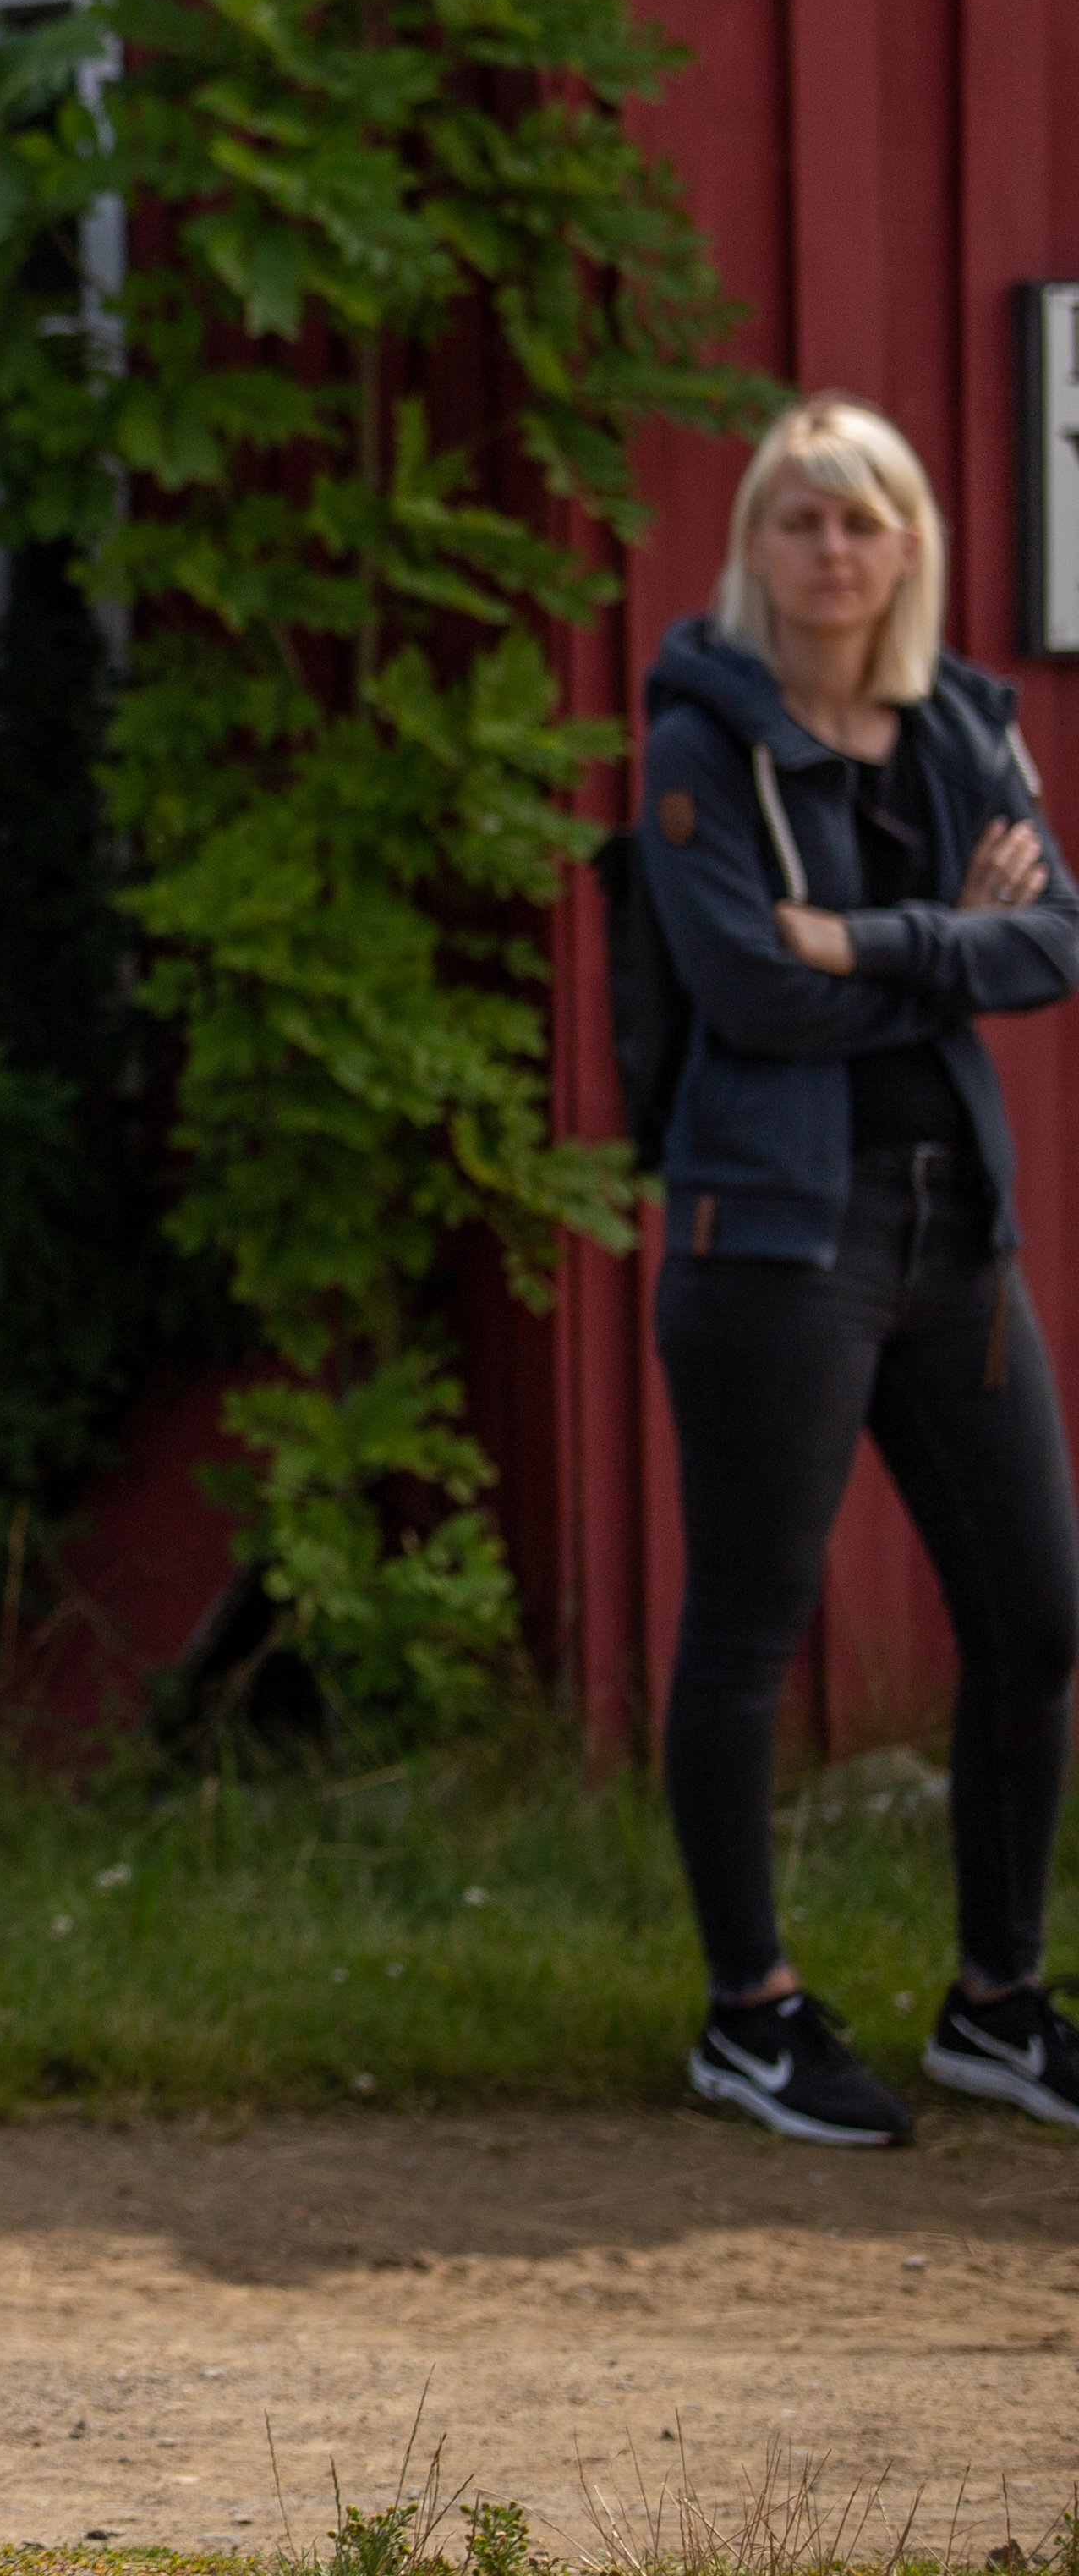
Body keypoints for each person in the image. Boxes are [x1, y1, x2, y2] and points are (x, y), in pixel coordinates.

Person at [629, 393, 1079, 2145]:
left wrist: (876, 938)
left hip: (953, 1225)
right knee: (752, 1626)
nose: (832, 550)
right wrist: (953, 946)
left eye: (863, 518)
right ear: (757, 544)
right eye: (801, 518)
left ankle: (998, 2001)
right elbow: (752, 991)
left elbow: (1054, 938)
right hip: (773, 1238)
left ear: (911, 544)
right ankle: (751, 2013)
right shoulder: (697, 736)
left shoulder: (967, 721)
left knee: (1039, 1616)